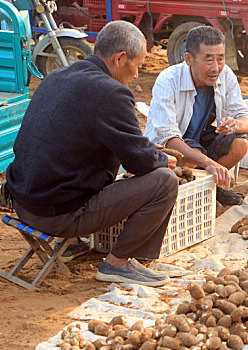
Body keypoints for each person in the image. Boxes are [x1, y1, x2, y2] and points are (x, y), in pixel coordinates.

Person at [4, 21, 180, 287]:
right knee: (165, 181)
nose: (136, 74)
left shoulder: (56, 77)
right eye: (138, 66)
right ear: (120, 59)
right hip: (56, 215)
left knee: (69, 161)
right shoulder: (113, 93)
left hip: (22, 201)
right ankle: (118, 263)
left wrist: (140, 150)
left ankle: (74, 245)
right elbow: (140, 163)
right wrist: (160, 159)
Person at [145, 26, 248, 205]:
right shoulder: (168, 80)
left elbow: (246, 119)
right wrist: (208, 163)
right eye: (208, 60)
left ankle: (211, 186)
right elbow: (169, 138)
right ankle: (190, 190)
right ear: (188, 59)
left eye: (220, 59)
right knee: (186, 159)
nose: (216, 68)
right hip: (173, 147)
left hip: (201, 141)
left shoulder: (225, 74)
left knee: (240, 142)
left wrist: (236, 124)